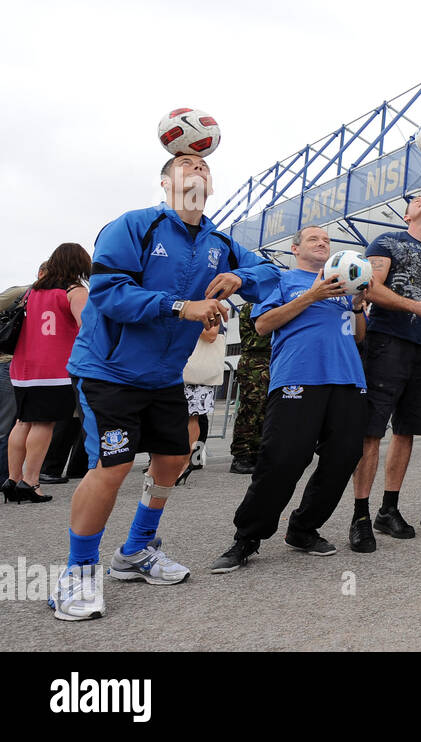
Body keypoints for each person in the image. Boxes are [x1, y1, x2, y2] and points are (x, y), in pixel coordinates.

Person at [49, 153, 277, 621]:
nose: (198, 169)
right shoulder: (134, 226)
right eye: (186, 163)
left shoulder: (220, 240)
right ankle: (78, 572)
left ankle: (133, 552)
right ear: (165, 181)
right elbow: (108, 293)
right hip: (108, 370)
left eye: (205, 166)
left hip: (164, 376)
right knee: (111, 466)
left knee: (173, 459)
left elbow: (268, 274)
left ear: (210, 187)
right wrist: (181, 307)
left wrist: (241, 277)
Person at [211, 225, 381, 572]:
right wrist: (311, 296)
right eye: (314, 239)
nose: (322, 243)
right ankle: (247, 538)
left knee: (344, 457)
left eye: (327, 240)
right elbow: (262, 325)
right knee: (284, 458)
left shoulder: (346, 283)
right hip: (298, 379)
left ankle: (303, 528)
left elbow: (358, 336)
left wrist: (360, 306)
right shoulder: (283, 281)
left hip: (348, 379)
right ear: (294, 248)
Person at [351, 195, 421, 544]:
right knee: (370, 431)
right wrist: (416, 307)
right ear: (407, 214)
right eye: (417, 201)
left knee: (406, 431)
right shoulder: (386, 242)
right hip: (386, 342)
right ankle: (360, 514)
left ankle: (388, 509)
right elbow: (371, 288)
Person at [3, 244, 90, 503]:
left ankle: (12, 478)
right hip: (54, 368)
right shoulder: (74, 291)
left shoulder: (32, 291)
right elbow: (87, 328)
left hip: (22, 366)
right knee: (44, 423)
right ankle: (31, 482)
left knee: (22, 422)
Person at [174, 320, 226, 482]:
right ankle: (179, 460)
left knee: (194, 416)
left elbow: (211, 334)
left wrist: (185, 319)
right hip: (177, 367)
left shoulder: (208, 306)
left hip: (196, 373)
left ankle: (188, 461)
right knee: (177, 417)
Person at [229, 302, 271, 474]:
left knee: (265, 412)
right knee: (250, 411)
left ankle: (257, 451)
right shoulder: (253, 305)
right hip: (254, 362)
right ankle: (241, 455)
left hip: (268, 362)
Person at [0, 281, 30, 485]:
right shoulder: (23, 291)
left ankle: (8, 476)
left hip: (19, 364)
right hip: (6, 363)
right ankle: (4, 478)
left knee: (13, 423)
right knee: (7, 425)